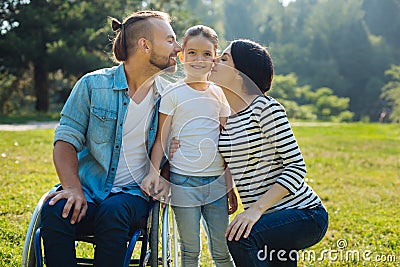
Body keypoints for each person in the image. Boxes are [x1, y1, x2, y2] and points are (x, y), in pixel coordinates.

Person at [40, 11, 181, 267]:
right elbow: (65, 141)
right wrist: (72, 189)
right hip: (89, 193)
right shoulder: (92, 85)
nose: (179, 47)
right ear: (145, 45)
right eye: (170, 40)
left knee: (114, 210)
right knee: (54, 209)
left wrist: (165, 179)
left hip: (133, 199)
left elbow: (175, 153)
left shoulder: (170, 99)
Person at [171, 39, 329, 267]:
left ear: (240, 73)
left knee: (239, 238)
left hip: (304, 213)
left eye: (224, 58)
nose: (214, 60)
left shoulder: (265, 108)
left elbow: (296, 167)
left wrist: (255, 211)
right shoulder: (229, 117)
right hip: (269, 219)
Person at [141, 25, 236, 267]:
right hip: (183, 181)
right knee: (190, 249)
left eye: (206, 54)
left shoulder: (220, 95)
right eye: (192, 53)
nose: (198, 60)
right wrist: (154, 172)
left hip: (215, 183)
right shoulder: (174, 93)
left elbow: (226, 143)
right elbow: (161, 139)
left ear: (215, 58)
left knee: (222, 250)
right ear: (182, 55)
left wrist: (229, 186)